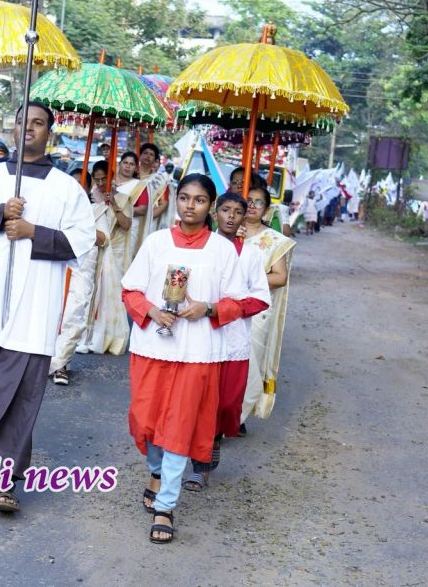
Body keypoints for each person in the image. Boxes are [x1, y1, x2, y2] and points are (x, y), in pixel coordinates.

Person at [0, 101, 95, 513]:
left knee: (19, 391)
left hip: (34, 305)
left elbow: (82, 242)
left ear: (50, 132)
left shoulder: (66, 188)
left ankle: (3, 476)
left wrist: (32, 231)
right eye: (22, 121)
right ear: (11, 128)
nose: (29, 128)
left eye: (38, 123)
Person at [121, 174, 242, 544]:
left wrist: (207, 308)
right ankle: (157, 471)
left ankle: (166, 506)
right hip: (152, 347)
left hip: (197, 353)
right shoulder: (156, 242)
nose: (191, 206)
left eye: (200, 200)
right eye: (185, 198)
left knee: (179, 427)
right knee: (144, 421)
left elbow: (236, 302)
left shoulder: (222, 250)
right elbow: (130, 290)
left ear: (210, 206)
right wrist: (153, 312)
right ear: (177, 200)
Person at [184, 192, 270, 491]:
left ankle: (215, 440)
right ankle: (200, 465)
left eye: (238, 211)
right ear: (214, 212)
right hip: (199, 337)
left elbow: (261, 298)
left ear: (246, 217)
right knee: (198, 402)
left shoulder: (251, 255)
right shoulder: (200, 249)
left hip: (233, 340)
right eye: (225, 210)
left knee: (225, 403)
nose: (231, 216)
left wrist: (226, 309)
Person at [239, 179, 296, 423]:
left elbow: (280, 277)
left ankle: (239, 415)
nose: (252, 206)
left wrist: (247, 280)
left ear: (266, 209)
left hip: (257, 311)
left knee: (250, 364)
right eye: (248, 201)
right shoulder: (228, 232)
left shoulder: (274, 240)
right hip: (226, 308)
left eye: (258, 202)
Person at [49, 164, 108, 385]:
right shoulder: (54, 207)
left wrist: (81, 231)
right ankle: (46, 360)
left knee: (73, 315)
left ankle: (61, 364)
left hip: (83, 268)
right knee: (52, 315)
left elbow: (104, 239)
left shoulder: (97, 209)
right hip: (56, 266)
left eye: (80, 184)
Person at [83, 160, 131, 355]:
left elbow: (126, 225)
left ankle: (105, 336)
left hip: (113, 255)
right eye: (98, 179)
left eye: (105, 179)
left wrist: (115, 206)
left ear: (112, 177)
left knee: (107, 298)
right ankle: (85, 335)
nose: (101, 183)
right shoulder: (90, 196)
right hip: (92, 252)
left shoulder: (123, 198)